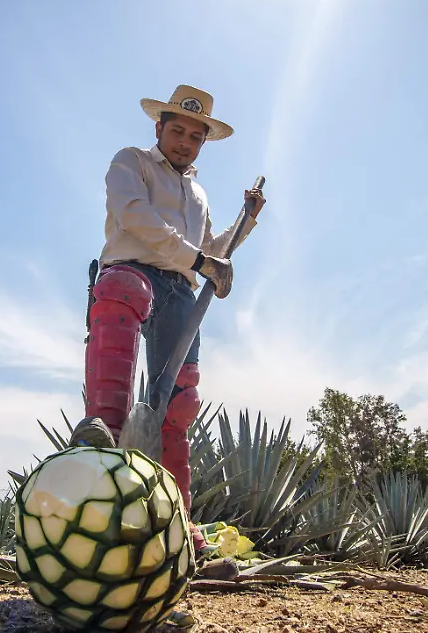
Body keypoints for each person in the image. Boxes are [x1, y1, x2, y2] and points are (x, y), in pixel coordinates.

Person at [73, 84, 265, 552]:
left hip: (181, 289)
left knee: (178, 405)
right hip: (130, 272)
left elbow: (210, 253)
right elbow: (134, 217)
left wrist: (247, 221)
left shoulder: (197, 194)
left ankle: (177, 518)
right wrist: (202, 262)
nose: (184, 141)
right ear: (158, 127)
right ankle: (102, 434)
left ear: (203, 143)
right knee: (120, 291)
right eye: (176, 130)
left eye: (195, 136)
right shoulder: (130, 162)